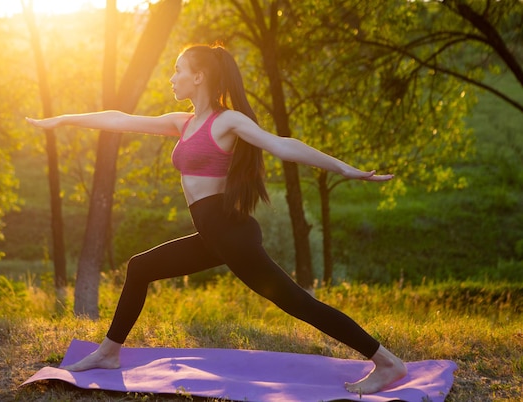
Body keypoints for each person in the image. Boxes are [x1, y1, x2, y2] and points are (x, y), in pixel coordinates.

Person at [26, 43, 407, 394]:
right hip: (212, 235)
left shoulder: (227, 122)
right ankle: (109, 352)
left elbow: (281, 145)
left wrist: (345, 169)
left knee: (297, 303)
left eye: (177, 70)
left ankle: (386, 361)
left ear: (199, 76)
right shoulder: (184, 122)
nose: (171, 77)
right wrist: (63, 119)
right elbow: (121, 119)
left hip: (231, 234)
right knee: (140, 268)